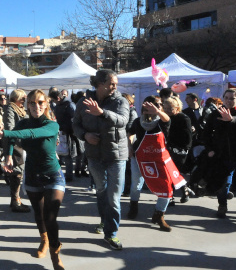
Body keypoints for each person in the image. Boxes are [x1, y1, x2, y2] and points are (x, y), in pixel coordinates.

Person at [0, 89, 66, 270]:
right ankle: (44, 240)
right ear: (26, 104)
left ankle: (55, 252)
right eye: (31, 103)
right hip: (33, 174)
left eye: (40, 103)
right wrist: (9, 154)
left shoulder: (51, 125)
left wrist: (4, 132)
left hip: (53, 175)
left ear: (45, 104)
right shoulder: (23, 122)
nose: (36, 106)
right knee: (39, 214)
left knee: (50, 216)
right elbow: (14, 136)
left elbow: (30, 133)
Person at [72, 69, 129, 250]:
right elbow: (75, 125)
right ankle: (105, 221)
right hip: (94, 155)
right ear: (99, 84)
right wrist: (85, 135)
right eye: (111, 83)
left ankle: (111, 234)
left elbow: (123, 120)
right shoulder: (83, 102)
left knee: (113, 196)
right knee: (101, 190)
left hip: (116, 156)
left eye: (115, 84)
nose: (115, 87)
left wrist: (102, 113)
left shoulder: (120, 101)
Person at [202, 88, 236, 225]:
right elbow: (206, 134)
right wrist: (210, 149)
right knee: (224, 185)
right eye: (227, 98)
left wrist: (231, 119)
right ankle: (222, 206)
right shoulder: (215, 114)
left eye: (232, 98)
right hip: (223, 156)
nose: (229, 101)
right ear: (223, 99)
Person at [126, 96, 174, 231]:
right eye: (155, 104)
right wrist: (129, 147)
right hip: (139, 157)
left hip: (158, 159)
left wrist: (157, 112)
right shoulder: (137, 121)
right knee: (136, 183)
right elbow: (130, 133)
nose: (158, 106)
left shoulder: (161, 121)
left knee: (166, 186)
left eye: (160, 105)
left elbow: (167, 119)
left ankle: (159, 214)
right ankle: (133, 206)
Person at [1, 89, 31, 212]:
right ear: (15, 98)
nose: (24, 100)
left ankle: (16, 199)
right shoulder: (10, 109)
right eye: (22, 98)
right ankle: (15, 201)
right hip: (15, 145)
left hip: (22, 145)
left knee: (20, 173)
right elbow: (10, 128)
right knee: (17, 173)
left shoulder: (21, 109)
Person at [163, 96, 193, 203]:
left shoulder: (184, 118)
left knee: (172, 173)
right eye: (165, 108)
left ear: (177, 108)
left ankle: (170, 196)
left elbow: (188, 137)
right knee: (170, 173)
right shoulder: (164, 117)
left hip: (180, 150)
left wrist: (185, 150)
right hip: (167, 148)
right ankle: (183, 190)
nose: (167, 111)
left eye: (170, 108)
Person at [54, 90, 76, 182]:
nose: (53, 102)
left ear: (58, 98)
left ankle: (69, 176)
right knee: (60, 154)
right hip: (61, 131)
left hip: (69, 133)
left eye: (54, 100)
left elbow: (75, 118)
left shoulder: (69, 105)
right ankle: (59, 174)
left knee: (68, 155)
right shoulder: (59, 105)